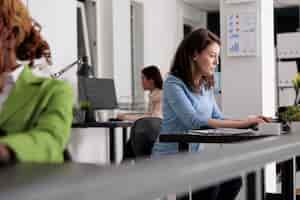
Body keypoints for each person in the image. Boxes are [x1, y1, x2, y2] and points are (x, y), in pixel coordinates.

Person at [152, 28, 269, 200]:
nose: (217, 62)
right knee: (211, 181)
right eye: (212, 55)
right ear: (194, 55)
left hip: (194, 158)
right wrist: (243, 123)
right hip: (170, 157)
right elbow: (194, 121)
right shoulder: (173, 83)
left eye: (218, 57)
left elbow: (219, 118)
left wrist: (249, 121)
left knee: (232, 180)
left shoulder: (206, 85)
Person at [0, 0, 74, 164]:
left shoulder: (53, 91)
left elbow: (51, 140)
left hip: (22, 185)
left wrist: (5, 150)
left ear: (10, 36)